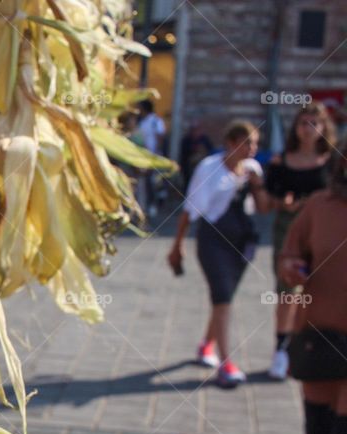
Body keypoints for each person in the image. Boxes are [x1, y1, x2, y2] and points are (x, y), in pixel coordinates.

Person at [279, 141, 347, 434]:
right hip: (320, 332)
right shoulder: (319, 207)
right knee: (319, 430)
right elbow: (291, 252)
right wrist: (292, 268)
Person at [167, 121, 273, 388]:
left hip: (242, 242)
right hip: (213, 240)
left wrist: (258, 185)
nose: (252, 149)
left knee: (223, 300)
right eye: (247, 142)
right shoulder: (209, 168)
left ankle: (206, 345)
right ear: (230, 142)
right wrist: (177, 244)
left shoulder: (252, 169)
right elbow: (190, 208)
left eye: (255, 143)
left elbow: (262, 209)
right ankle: (227, 363)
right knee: (223, 296)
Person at [264, 104, 334, 380]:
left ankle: (306, 346)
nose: (308, 128)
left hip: (323, 233)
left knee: (318, 290)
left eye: (314, 123)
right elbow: (268, 200)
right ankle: (281, 349)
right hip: (289, 229)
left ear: (323, 127)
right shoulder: (283, 161)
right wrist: (285, 203)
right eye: (303, 123)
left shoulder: (332, 162)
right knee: (287, 289)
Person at [137, 100, 167, 217]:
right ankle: (144, 206)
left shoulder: (156, 121)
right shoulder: (141, 122)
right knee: (144, 182)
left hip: (153, 156)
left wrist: (155, 155)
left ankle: (154, 205)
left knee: (154, 181)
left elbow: (160, 137)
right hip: (142, 157)